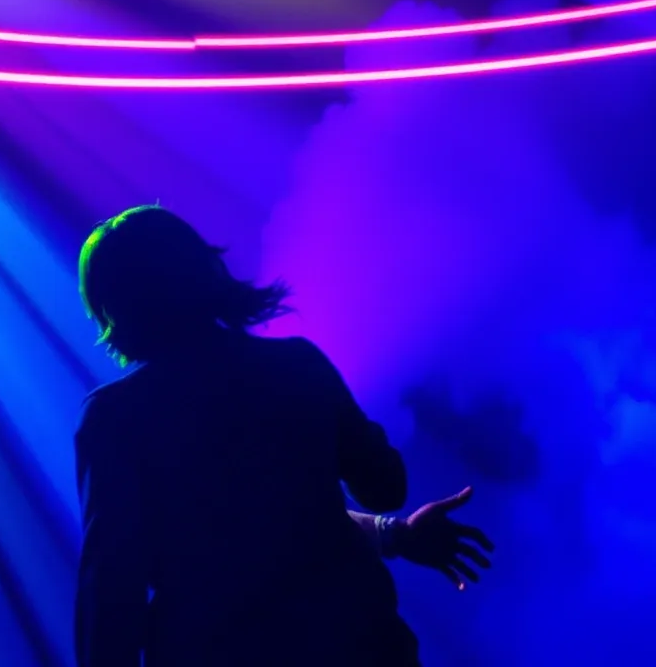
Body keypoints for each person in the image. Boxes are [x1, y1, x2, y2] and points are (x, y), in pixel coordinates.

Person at [72, 206, 493, 667]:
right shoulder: (297, 364)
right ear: (202, 268)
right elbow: (382, 488)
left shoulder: (115, 418)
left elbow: (111, 590)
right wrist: (393, 531)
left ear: (114, 308)